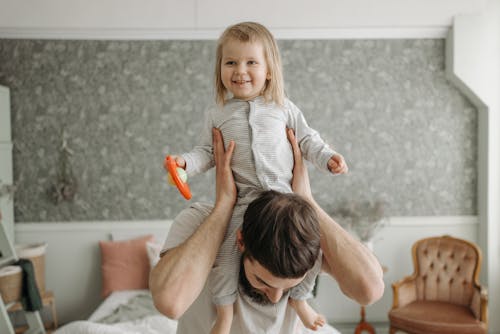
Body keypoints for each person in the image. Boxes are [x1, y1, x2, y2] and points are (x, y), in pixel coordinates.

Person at [166, 21, 348, 333]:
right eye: (231, 62)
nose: (240, 70)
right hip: (244, 204)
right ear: (220, 69)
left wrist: (327, 158)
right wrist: (184, 163)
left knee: (311, 244)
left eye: (251, 62)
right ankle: (224, 314)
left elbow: (307, 140)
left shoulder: (283, 108)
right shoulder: (218, 114)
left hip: (285, 200)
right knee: (226, 256)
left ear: (269, 70)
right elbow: (207, 152)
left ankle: (300, 300)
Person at [150, 127, 385, 333]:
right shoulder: (198, 221)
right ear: (241, 240)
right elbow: (170, 303)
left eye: (288, 287)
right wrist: (224, 206)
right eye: (263, 281)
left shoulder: (300, 231)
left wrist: (307, 201)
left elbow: (370, 290)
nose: (276, 297)